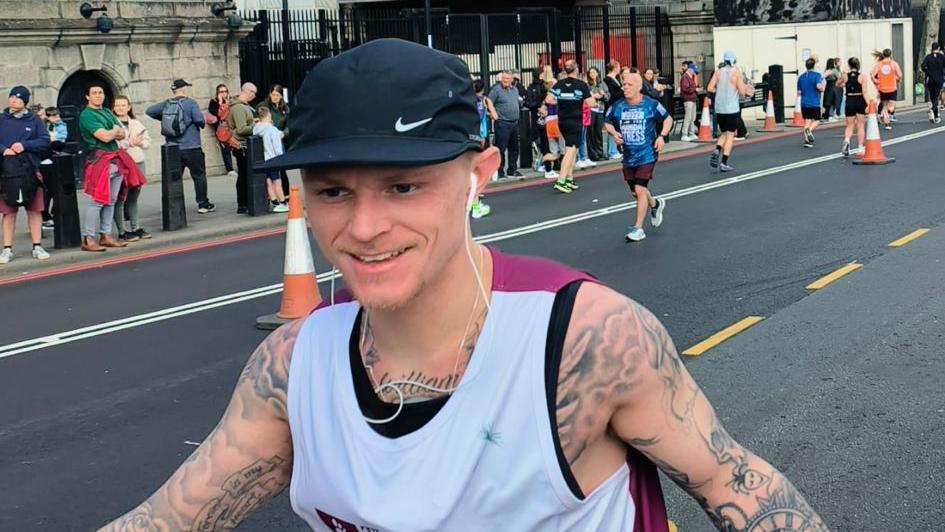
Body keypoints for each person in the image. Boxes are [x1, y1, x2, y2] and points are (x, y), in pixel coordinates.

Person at [97, 39, 830, 532]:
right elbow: (168, 516)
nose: (364, 227)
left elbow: (737, 484)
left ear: (477, 177)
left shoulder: (583, 339)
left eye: (404, 185)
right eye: (331, 192)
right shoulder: (293, 366)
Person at [78, 83, 146, 252]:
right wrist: (114, 130)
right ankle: (88, 238)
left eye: (100, 92)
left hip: (116, 160)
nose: (98, 95)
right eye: (94, 93)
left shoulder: (107, 111)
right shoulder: (87, 115)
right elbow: (106, 137)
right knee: (98, 200)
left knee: (112, 199)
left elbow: (123, 133)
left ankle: (106, 235)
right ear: (87, 96)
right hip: (100, 160)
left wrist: (114, 131)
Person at [605, 72, 671, 243]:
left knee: (641, 189)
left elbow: (668, 119)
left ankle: (638, 228)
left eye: (628, 85)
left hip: (647, 154)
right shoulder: (618, 106)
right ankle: (655, 204)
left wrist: (661, 136)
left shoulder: (651, 105)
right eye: (623, 84)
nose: (624, 87)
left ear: (638, 87)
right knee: (635, 192)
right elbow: (607, 121)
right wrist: (613, 133)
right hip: (628, 155)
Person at [146, 79, 215, 214]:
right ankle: (203, 204)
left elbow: (149, 111)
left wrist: (167, 120)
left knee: (174, 178)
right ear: (184, 89)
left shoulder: (166, 104)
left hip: (172, 148)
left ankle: (174, 206)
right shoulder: (190, 103)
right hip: (192, 147)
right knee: (199, 175)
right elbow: (199, 120)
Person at [0, 86, 51, 264]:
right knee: (8, 213)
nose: (13, 100)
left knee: (35, 211)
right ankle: (7, 249)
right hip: (7, 173)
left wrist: (25, 145)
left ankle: (37, 246)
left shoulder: (35, 120)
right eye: (12, 96)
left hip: (30, 171)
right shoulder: (1, 119)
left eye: (18, 98)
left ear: (25, 101)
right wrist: (4, 149)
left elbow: (45, 142)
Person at [548, 60, 596, 193]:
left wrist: (562, 101)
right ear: (576, 69)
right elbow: (591, 103)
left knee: (573, 149)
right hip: (575, 120)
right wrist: (592, 98)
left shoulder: (560, 83)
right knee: (570, 151)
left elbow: (548, 99)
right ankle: (561, 180)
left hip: (562, 120)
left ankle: (569, 179)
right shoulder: (582, 85)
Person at [112, 95, 152, 241]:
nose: (121, 108)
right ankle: (122, 232)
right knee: (120, 198)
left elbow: (147, 141)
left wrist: (139, 142)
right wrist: (130, 142)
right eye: (118, 105)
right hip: (122, 164)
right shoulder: (112, 124)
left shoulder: (136, 123)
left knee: (134, 198)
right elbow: (115, 145)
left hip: (138, 162)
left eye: (123, 105)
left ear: (129, 107)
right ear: (114, 108)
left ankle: (136, 228)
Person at [707, 51, 753, 172]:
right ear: (734, 60)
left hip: (720, 107)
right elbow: (743, 92)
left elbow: (709, 88)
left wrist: (720, 89)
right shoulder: (737, 73)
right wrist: (747, 89)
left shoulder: (718, 72)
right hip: (732, 108)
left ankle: (717, 149)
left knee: (724, 132)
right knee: (731, 134)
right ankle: (724, 162)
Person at [251, 106, 289, 214]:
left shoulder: (256, 128)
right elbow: (277, 147)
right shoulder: (272, 129)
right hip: (273, 159)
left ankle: (275, 203)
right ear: (268, 116)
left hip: (262, 160)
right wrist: (281, 157)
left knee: (268, 182)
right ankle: (283, 203)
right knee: (277, 181)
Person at [227, 82, 258, 214]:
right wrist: (256, 126)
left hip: (245, 145)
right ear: (248, 91)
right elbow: (241, 129)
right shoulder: (239, 108)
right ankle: (242, 204)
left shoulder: (243, 106)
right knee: (244, 175)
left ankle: (245, 202)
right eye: (254, 93)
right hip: (242, 146)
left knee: (246, 174)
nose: (254, 96)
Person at [257, 84, 291, 198]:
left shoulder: (285, 108)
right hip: (268, 139)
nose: (275, 97)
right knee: (270, 172)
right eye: (273, 94)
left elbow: (290, 124)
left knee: (282, 169)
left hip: (279, 137)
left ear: (281, 96)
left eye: (277, 95)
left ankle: (285, 195)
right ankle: (271, 196)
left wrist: (284, 133)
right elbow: (258, 120)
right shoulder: (264, 106)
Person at [487, 71, 523, 178]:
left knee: (514, 148)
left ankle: (512, 170)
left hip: (514, 123)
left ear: (512, 80)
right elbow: (488, 101)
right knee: (501, 149)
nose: (505, 81)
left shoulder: (515, 90)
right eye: (503, 78)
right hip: (502, 123)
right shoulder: (496, 90)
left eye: (507, 79)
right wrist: (493, 114)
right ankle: (500, 172)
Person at [836, 57, 868, 157]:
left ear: (849, 66)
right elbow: (865, 92)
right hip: (859, 100)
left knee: (849, 125)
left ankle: (847, 140)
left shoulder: (845, 76)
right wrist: (869, 103)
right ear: (858, 65)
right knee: (860, 124)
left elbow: (837, 84)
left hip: (849, 100)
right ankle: (860, 147)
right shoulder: (862, 76)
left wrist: (844, 85)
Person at [470, 78, 492, 219]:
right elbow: (494, 115)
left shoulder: (467, 101)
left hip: (467, 137)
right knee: (475, 173)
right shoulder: (483, 100)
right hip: (479, 137)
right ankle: (476, 207)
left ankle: (473, 204)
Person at [208, 84, 237, 178]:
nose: (224, 94)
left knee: (237, 147)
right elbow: (215, 113)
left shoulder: (232, 101)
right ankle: (230, 169)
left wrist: (228, 102)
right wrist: (220, 103)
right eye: (221, 92)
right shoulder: (213, 102)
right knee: (225, 149)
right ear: (217, 93)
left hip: (232, 128)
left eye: (225, 91)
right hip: (222, 130)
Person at [870, 49, 902, 130]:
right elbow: (900, 75)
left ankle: (887, 123)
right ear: (891, 54)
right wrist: (897, 79)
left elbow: (872, 74)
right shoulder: (894, 64)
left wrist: (876, 81)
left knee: (884, 106)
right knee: (891, 106)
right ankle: (887, 120)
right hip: (892, 88)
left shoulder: (879, 64)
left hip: (882, 88)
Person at [797, 58, 825, 148]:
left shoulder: (801, 77)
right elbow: (818, 86)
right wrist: (822, 88)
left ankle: (807, 141)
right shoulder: (817, 75)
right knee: (817, 120)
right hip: (814, 102)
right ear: (814, 66)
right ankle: (809, 130)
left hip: (804, 102)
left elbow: (799, 92)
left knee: (807, 121)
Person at [585, 66, 609, 162]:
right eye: (590, 73)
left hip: (600, 109)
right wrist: (595, 95)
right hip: (591, 110)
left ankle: (600, 152)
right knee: (590, 133)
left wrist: (602, 95)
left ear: (597, 73)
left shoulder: (602, 84)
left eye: (594, 72)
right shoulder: (587, 85)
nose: (592, 74)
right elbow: (587, 97)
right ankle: (593, 154)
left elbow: (607, 96)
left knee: (598, 132)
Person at [603, 60, 624, 159]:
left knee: (616, 127)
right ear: (615, 68)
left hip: (618, 106)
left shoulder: (615, 79)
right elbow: (612, 94)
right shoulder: (608, 80)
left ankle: (615, 149)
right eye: (618, 67)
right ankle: (612, 151)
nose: (619, 69)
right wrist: (622, 90)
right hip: (612, 106)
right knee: (612, 128)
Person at [921, 42, 945, 124]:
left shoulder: (928, 57)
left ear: (932, 48)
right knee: (937, 96)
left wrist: (928, 72)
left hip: (930, 79)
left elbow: (923, 66)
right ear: (938, 48)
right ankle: (932, 110)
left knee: (933, 97)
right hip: (939, 79)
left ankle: (936, 116)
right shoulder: (941, 57)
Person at [679, 60, 699, 141]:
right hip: (688, 99)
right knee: (688, 117)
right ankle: (684, 134)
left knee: (692, 117)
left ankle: (691, 133)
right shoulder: (685, 77)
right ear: (690, 70)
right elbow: (686, 89)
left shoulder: (690, 77)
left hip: (692, 99)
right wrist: (695, 88)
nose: (694, 72)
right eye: (694, 71)